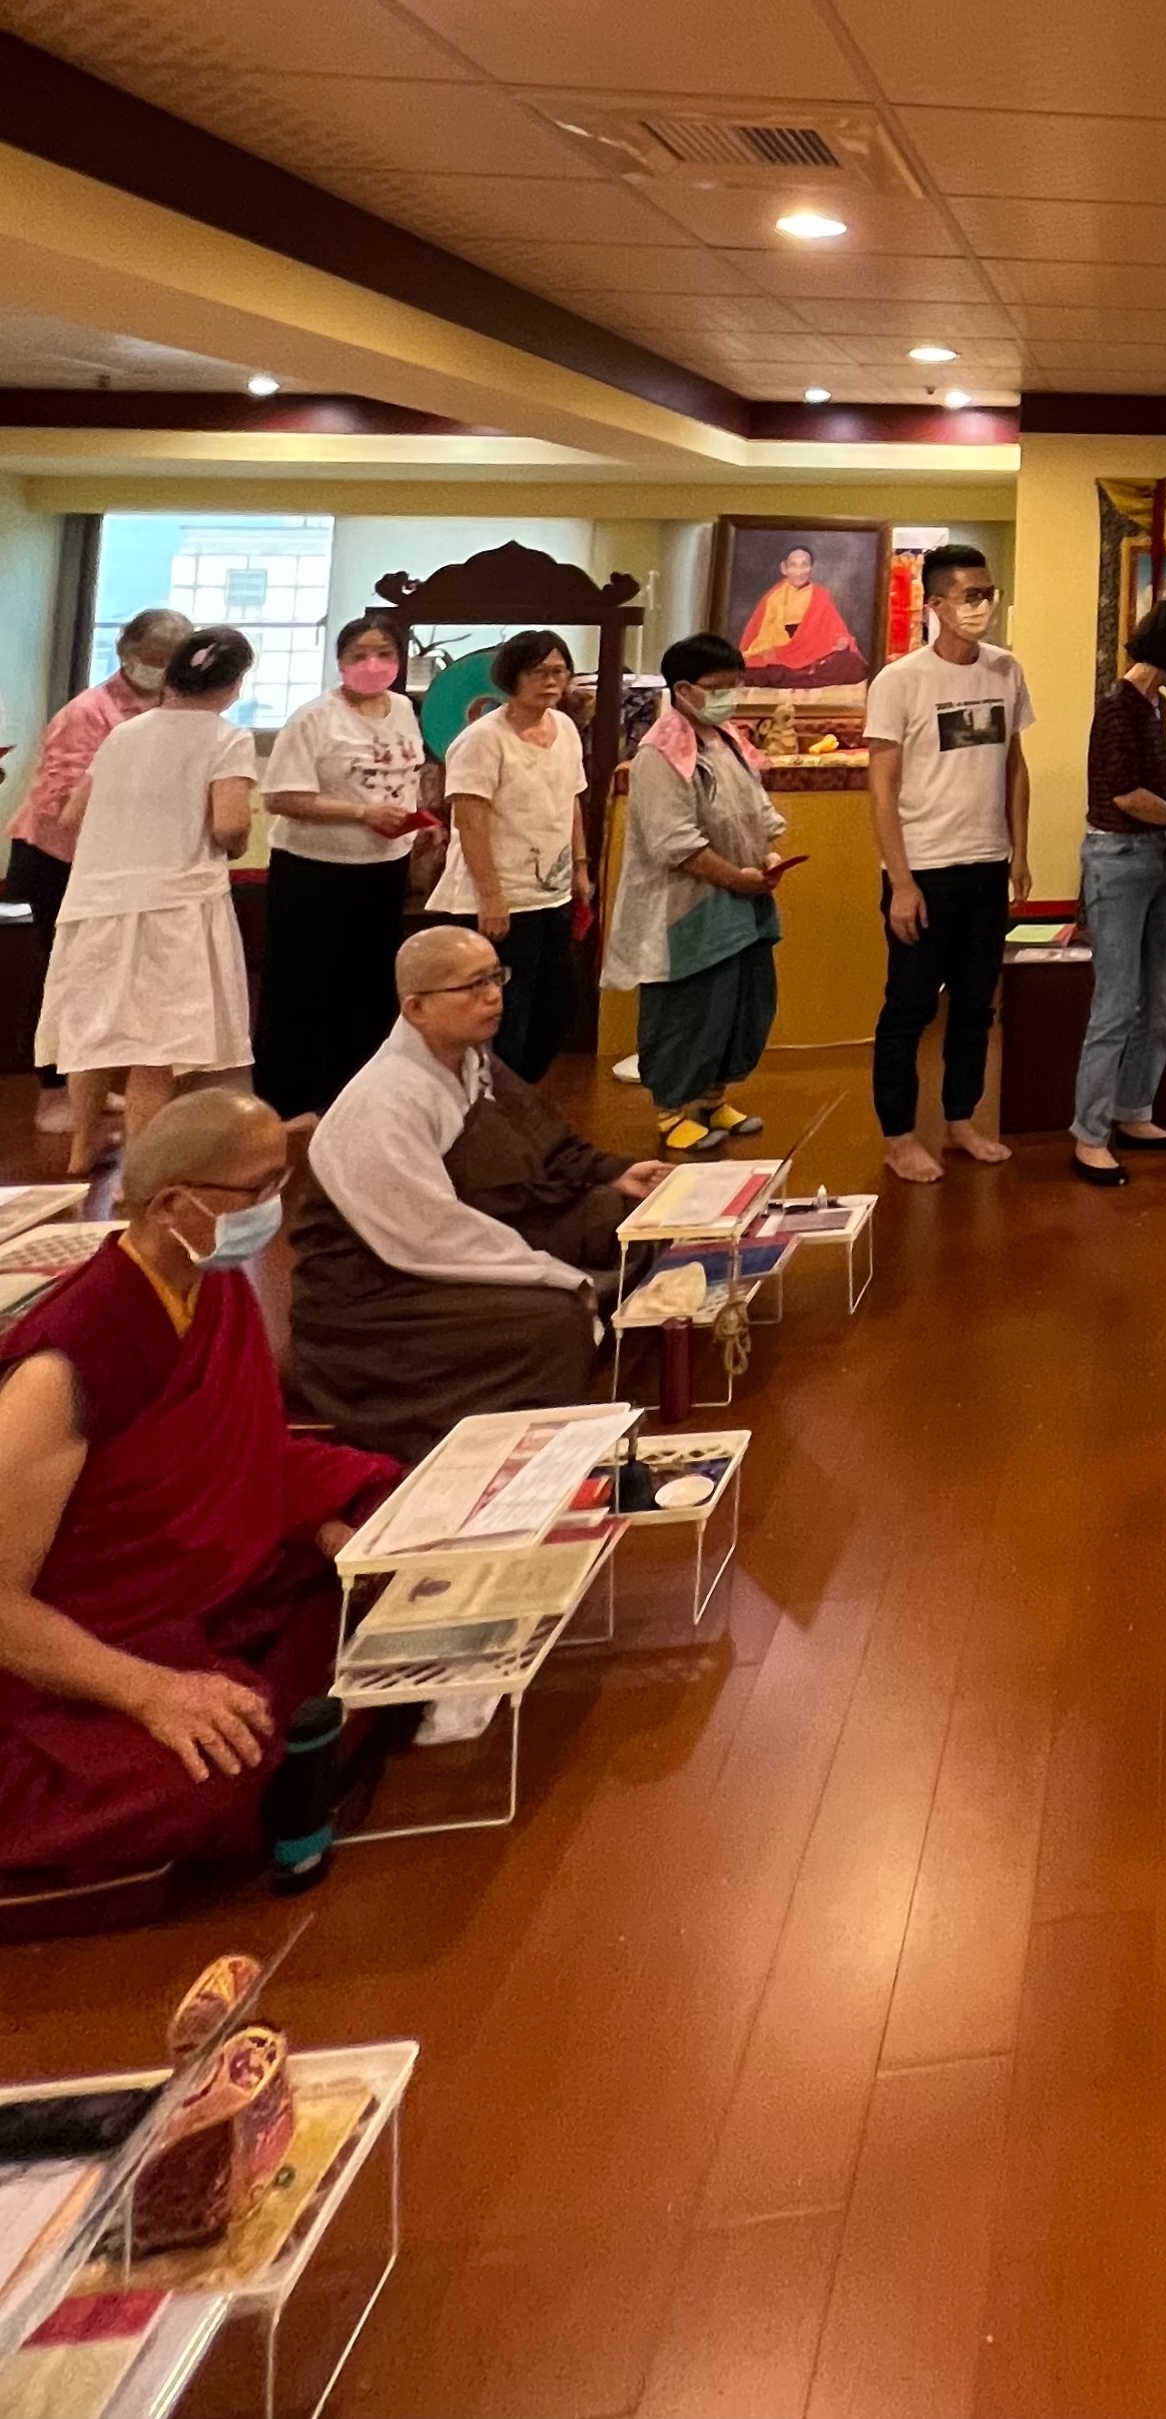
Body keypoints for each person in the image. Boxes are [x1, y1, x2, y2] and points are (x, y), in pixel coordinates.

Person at [0, 1091, 395, 1889]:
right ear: (174, 1203)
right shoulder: (64, 1360)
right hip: (89, 1645)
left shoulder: (210, 1282)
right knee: (212, 1770)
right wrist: (151, 1692)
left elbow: (250, 1453)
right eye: (258, 1190)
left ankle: (296, 1723)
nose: (274, 1208)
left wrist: (326, 1523)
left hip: (213, 1587)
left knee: (387, 1527)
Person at [292, 926, 666, 1465]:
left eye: (496, 977)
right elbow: (427, 1235)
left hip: (468, 1231)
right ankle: (520, 1456)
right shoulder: (385, 1100)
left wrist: (615, 1173)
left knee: (629, 1219)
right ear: (417, 1008)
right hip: (377, 1293)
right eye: (473, 986)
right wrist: (553, 1274)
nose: (494, 996)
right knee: (552, 1318)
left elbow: (546, 1141)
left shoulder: (473, 1059)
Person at [36, 627, 258, 1176]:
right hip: (175, 902)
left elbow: (72, 814)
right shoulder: (226, 738)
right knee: (154, 1043)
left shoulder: (125, 733)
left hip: (96, 898)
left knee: (92, 1029)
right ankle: (140, 1165)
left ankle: (82, 1145)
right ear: (233, 684)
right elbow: (230, 825)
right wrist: (233, 844)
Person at [865, 543, 1033, 1184]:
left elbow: (1013, 765)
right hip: (924, 868)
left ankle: (961, 1119)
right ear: (936, 604)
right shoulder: (900, 680)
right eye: (968, 596)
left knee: (975, 1005)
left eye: (988, 594)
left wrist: (1019, 850)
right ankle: (899, 1136)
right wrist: (902, 881)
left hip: (986, 863)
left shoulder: (1005, 670)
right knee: (910, 1007)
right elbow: (882, 786)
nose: (981, 606)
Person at [604, 633, 796, 1159]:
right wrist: (734, 877)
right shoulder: (659, 754)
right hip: (686, 907)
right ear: (684, 689)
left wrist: (768, 857)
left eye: (735, 684)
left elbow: (756, 811)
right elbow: (674, 842)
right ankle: (672, 1111)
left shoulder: (727, 740)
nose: (729, 696)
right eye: (719, 687)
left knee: (740, 1007)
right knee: (687, 1011)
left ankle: (714, 1100)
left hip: (743, 902)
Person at [6, 608, 193, 1142]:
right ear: (125, 652)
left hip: (120, 864)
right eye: (152, 659)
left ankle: (89, 1090)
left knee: (107, 982)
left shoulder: (173, 710)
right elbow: (65, 803)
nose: (160, 670)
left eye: (171, 661)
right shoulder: (88, 712)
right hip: (57, 860)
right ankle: (52, 1096)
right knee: (64, 980)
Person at [1068, 596, 1166, 1188]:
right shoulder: (1118, 707)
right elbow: (1126, 796)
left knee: (1162, 998)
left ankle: (1134, 1112)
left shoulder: (1154, 705)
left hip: (1159, 860)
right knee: (1117, 1002)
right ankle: (1089, 1137)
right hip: (1119, 861)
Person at [253, 614, 430, 1122]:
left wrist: (416, 823)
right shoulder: (314, 718)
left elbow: (405, 776)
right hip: (314, 868)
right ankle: (289, 1102)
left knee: (370, 984)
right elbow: (282, 797)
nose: (373, 664)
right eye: (359, 655)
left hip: (384, 865)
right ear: (340, 661)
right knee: (304, 986)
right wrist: (360, 813)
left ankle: (357, 1095)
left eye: (384, 654)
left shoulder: (403, 708)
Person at [428, 627, 589, 1083]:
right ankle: (491, 1103)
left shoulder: (565, 728)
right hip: (500, 898)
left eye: (559, 671)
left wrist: (580, 867)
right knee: (505, 1015)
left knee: (558, 1005)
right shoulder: (483, 738)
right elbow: (469, 820)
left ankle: (520, 1095)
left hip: (551, 894)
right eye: (538, 672)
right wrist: (491, 896)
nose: (551, 681)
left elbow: (572, 800)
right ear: (511, 677)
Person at [736, 541, 869, 686]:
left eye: (804, 565)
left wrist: (842, 642)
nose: (799, 572)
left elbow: (836, 631)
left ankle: (797, 676)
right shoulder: (772, 598)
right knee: (757, 668)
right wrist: (777, 652)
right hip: (781, 654)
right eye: (793, 565)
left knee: (852, 664)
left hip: (812, 654)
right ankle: (800, 675)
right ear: (784, 568)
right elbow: (758, 636)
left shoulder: (820, 596)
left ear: (812, 569)